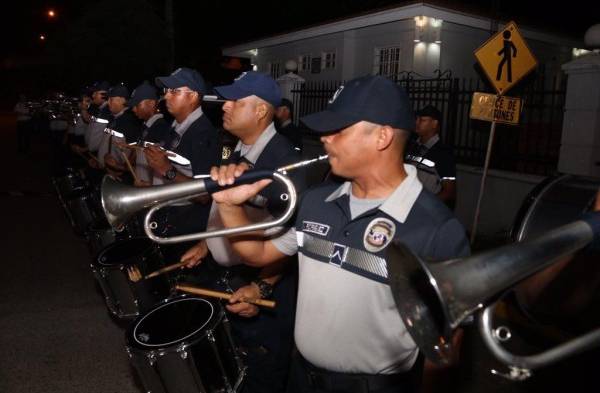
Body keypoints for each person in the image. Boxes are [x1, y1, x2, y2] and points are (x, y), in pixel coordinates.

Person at [209, 75, 470, 393]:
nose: (325, 139)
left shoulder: (436, 227)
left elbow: (446, 347)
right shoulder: (317, 201)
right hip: (300, 378)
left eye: (339, 130)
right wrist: (229, 207)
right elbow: (259, 254)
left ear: (382, 137)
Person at [179, 71, 305, 393]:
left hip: (262, 289)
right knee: (230, 370)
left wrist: (262, 287)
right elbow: (225, 211)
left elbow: (292, 239)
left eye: (236, 100)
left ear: (261, 111)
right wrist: (206, 245)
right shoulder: (234, 149)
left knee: (259, 376)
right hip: (230, 279)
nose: (225, 106)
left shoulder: (286, 162)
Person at [144, 67, 220, 253]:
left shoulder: (203, 133)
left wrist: (167, 170)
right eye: (166, 91)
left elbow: (204, 195)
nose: (166, 96)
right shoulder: (176, 126)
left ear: (193, 96)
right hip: (168, 214)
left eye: (174, 91)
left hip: (184, 223)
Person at [406, 105, 457, 208]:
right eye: (417, 119)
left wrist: (427, 206)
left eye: (422, 120)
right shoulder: (412, 147)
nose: (417, 123)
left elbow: (449, 191)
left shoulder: (443, 154)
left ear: (434, 124)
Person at [127, 81, 171, 184]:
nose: (133, 109)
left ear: (151, 103)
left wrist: (150, 187)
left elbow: (162, 169)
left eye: (137, 104)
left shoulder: (161, 128)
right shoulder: (145, 126)